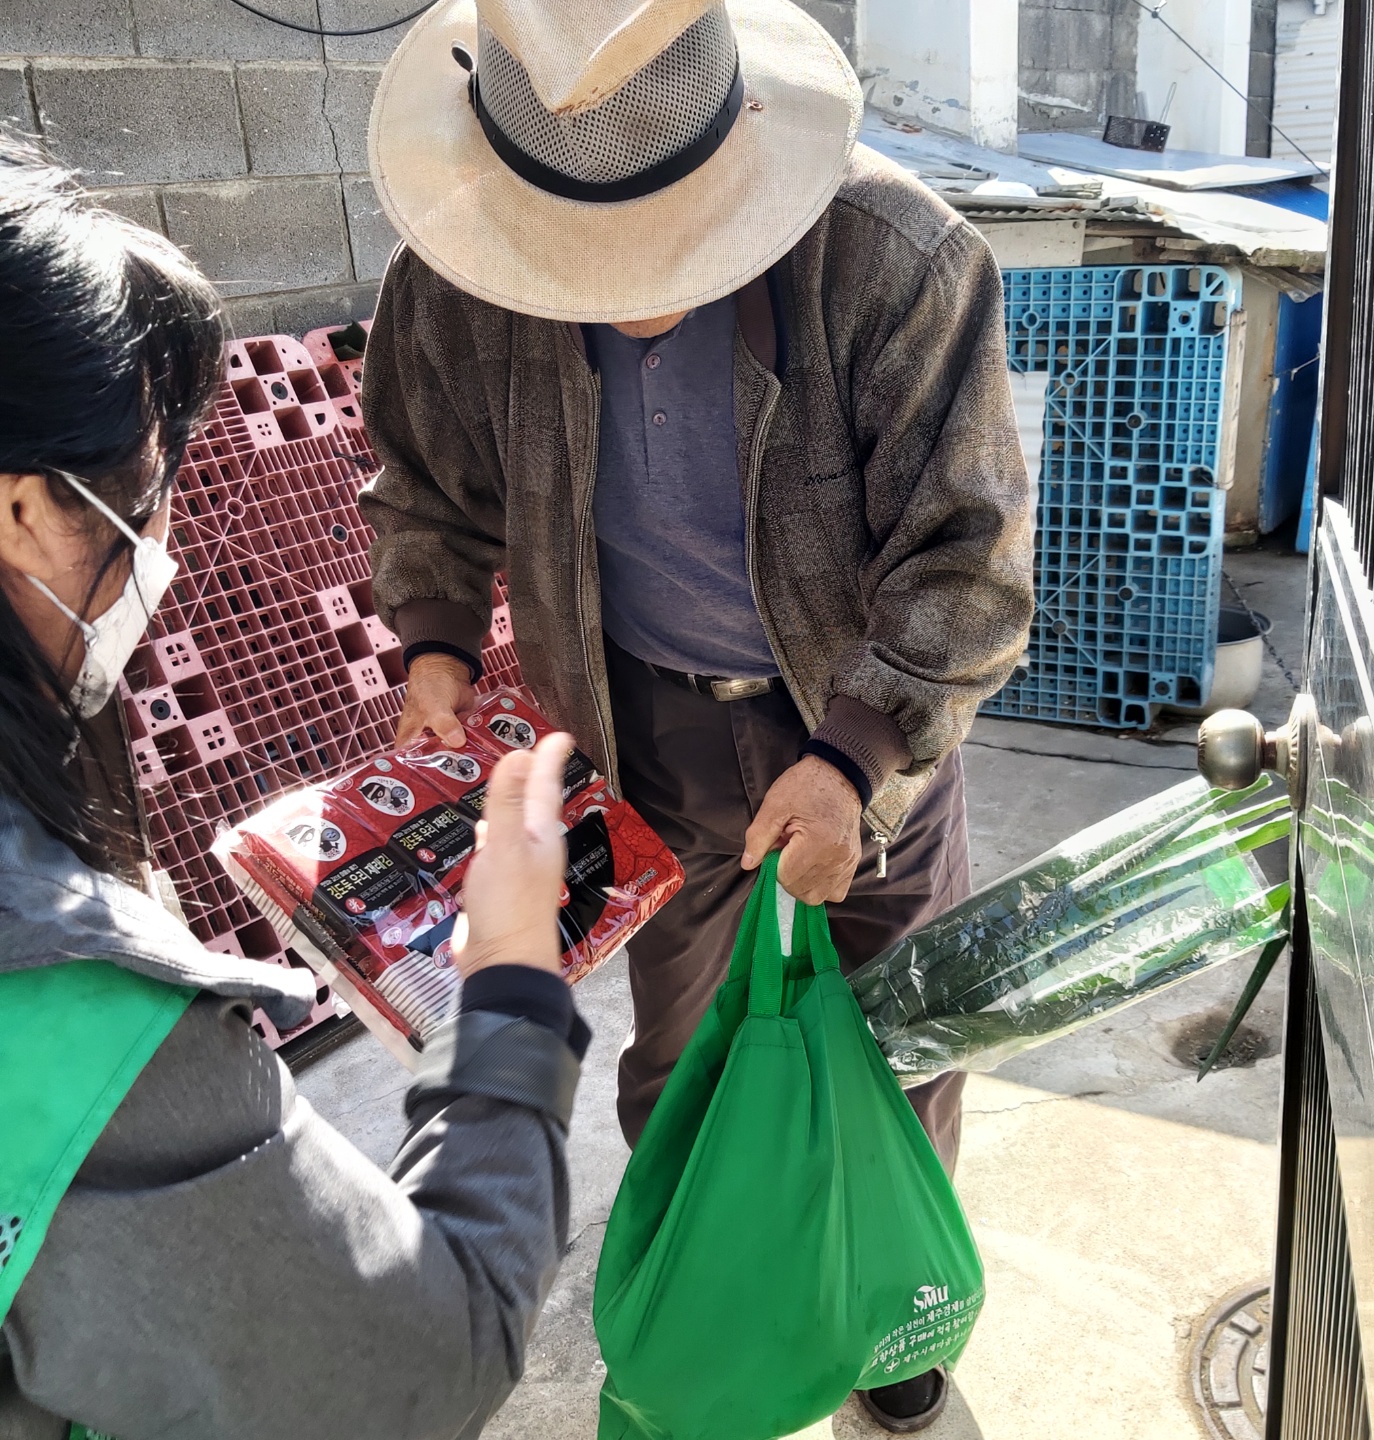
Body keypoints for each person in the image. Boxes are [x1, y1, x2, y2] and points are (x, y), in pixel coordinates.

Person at [359, 1, 1033, 1428]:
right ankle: (703, 1324)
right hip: (641, 732)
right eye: (590, 255)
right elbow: (422, 482)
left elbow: (966, 559)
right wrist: (432, 651)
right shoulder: (465, 268)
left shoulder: (895, 259)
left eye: (667, 242)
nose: (629, 288)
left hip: (858, 736)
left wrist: (855, 757)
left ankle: (887, 1341)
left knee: (892, 1045)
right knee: (682, 1067)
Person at [0, 138, 588, 1440]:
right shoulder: (80, 1019)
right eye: (144, 499)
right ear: (26, 513)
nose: (162, 551)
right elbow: (416, 1363)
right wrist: (506, 980)